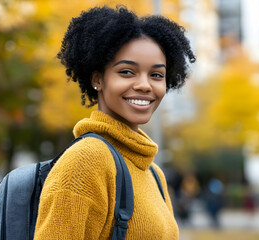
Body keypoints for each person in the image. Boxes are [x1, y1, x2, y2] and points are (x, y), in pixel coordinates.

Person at [34, 5, 195, 239]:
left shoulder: (154, 174)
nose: (145, 85)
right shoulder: (86, 161)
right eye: (127, 72)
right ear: (98, 78)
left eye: (156, 75)